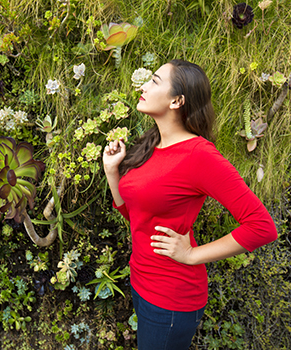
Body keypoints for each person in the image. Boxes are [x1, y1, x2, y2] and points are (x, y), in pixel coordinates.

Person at [102, 59, 277, 350]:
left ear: (177, 100)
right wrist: (112, 171)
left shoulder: (199, 156)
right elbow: (135, 216)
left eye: (155, 81)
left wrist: (192, 255)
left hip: (171, 299)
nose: (143, 86)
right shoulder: (152, 145)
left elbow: (262, 228)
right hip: (142, 283)